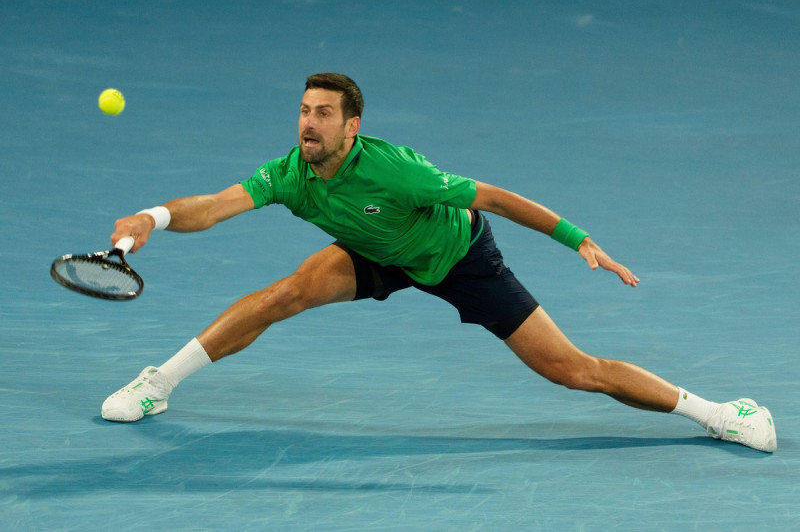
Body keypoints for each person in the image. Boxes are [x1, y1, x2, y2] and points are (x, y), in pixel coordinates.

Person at [101, 72, 777, 453]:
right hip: (378, 254)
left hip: (460, 256)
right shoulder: (290, 173)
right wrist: (152, 217)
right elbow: (214, 206)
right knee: (289, 291)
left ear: (351, 126)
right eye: (303, 112)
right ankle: (158, 381)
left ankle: (721, 412)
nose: (308, 124)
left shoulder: (398, 173)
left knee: (575, 370)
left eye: (323, 115)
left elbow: (495, 196)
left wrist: (578, 238)